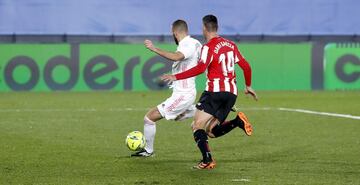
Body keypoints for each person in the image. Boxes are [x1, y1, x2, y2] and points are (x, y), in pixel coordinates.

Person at [161, 15, 258, 169]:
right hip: (231, 94)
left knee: (196, 125)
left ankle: (207, 160)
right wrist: (248, 86)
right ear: (217, 27)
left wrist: (175, 76)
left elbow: (200, 68)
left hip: (214, 92)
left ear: (204, 28)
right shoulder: (231, 45)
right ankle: (237, 122)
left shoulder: (208, 47)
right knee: (211, 132)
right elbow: (246, 66)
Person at [131, 20, 202, 157]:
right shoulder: (195, 43)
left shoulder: (187, 44)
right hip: (184, 92)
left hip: (183, 94)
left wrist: (154, 48)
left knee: (149, 118)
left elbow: (177, 56)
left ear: (175, 32)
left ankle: (148, 151)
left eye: (172, 32)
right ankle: (207, 108)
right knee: (179, 117)